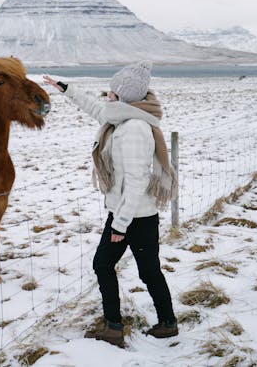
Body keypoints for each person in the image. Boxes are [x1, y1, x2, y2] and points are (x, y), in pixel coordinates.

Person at [43, 62, 178, 347]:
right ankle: (166, 322)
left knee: (106, 265)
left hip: (133, 216)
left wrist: (119, 225)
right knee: (146, 269)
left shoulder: (134, 129)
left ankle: (116, 327)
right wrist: (65, 89)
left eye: (112, 93)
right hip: (134, 215)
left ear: (123, 96)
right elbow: (95, 108)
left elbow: (137, 182)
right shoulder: (124, 117)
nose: (107, 97)